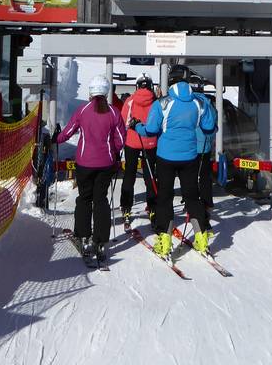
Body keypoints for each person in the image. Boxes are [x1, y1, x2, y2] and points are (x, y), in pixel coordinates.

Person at [133, 68, 217, 257]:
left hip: (166, 157)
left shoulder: (163, 103)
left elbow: (151, 130)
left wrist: (137, 127)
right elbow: (209, 128)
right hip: (190, 156)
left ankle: (164, 242)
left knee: (165, 197)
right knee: (192, 197)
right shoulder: (198, 102)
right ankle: (202, 238)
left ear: (171, 83)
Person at [55, 74, 125, 261]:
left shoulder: (83, 110)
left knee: (84, 199)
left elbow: (68, 131)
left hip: (85, 163)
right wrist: (112, 151)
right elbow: (121, 139)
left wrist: (56, 138)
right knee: (101, 200)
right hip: (106, 164)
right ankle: (100, 241)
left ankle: (84, 237)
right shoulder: (113, 112)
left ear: (91, 92)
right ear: (106, 92)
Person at [119, 74, 158, 228]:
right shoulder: (155, 102)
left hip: (132, 141)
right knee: (150, 175)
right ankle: (153, 207)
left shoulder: (130, 101)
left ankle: (126, 207)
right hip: (151, 142)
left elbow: (124, 121)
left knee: (129, 174)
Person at [190, 86, 219, 212]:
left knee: (190, 176)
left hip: (190, 145)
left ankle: (190, 202)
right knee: (205, 176)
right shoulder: (209, 105)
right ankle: (206, 203)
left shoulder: (189, 104)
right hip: (205, 146)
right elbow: (214, 125)